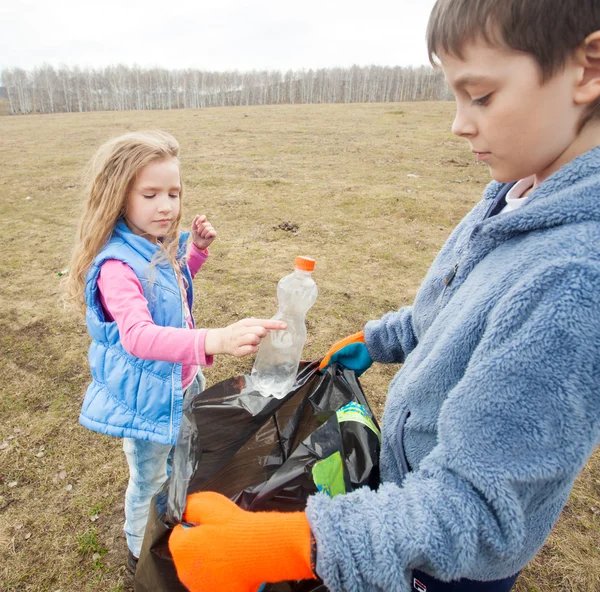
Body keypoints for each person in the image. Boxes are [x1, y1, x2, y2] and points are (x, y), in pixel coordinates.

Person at [167, 0, 600, 590]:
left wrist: (302, 543)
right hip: (405, 487)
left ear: (588, 68)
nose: (458, 123)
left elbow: (480, 509)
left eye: (480, 95)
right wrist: (381, 339)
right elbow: (457, 308)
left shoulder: (572, 278)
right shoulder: (516, 190)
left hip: (443, 563)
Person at [64, 130, 286, 574]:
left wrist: (196, 253)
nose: (166, 205)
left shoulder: (155, 244)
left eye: (173, 192)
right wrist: (215, 339)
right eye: (150, 194)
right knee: (149, 477)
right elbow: (140, 337)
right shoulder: (115, 266)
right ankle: (137, 551)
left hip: (182, 383)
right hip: (148, 399)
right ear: (117, 197)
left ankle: (171, 519)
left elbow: (172, 290)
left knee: (181, 459)